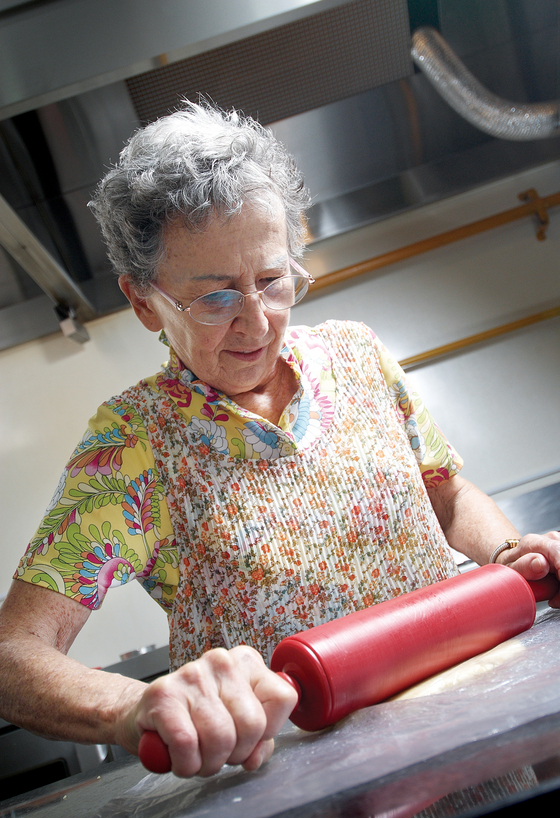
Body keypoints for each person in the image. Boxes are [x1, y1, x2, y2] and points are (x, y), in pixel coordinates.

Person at [0, 102, 559, 781]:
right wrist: (129, 706)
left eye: (272, 280)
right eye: (215, 298)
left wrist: (509, 553)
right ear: (145, 301)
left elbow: (443, 495)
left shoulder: (358, 355)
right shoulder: (132, 444)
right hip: (311, 797)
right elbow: (14, 655)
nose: (257, 321)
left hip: (476, 747)